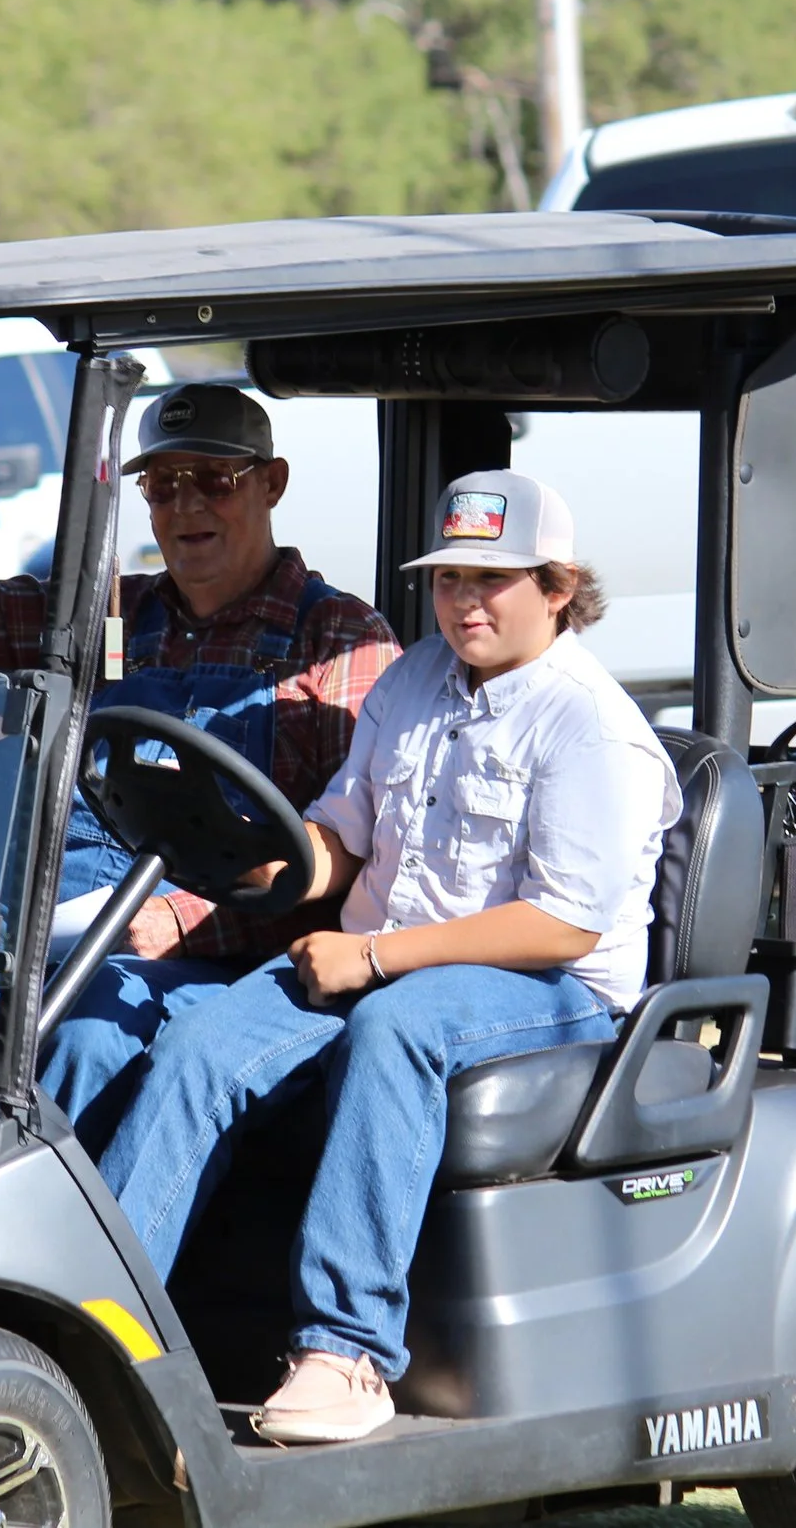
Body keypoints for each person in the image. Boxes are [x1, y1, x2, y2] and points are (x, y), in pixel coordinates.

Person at [96, 470, 682, 1444]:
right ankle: (96, 1327)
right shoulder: (412, 680)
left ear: (557, 586)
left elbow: (563, 925)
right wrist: (256, 865)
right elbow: (342, 832)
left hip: (544, 991)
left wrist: (374, 956)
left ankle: (347, 1351)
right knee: (202, 1037)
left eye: (490, 580)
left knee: (395, 1026)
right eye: (449, 577)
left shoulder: (589, 722)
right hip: (384, 955)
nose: (463, 600)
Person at [0, 326, 400, 1144]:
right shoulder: (107, 616)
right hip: (39, 928)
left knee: (86, 1031)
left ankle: (48, 1254)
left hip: (209, 960)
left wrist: (181, 917)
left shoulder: (340, 641)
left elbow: (358, 867)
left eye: (215, 478)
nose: (188, 504)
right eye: (165, 483)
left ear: (272, 484)